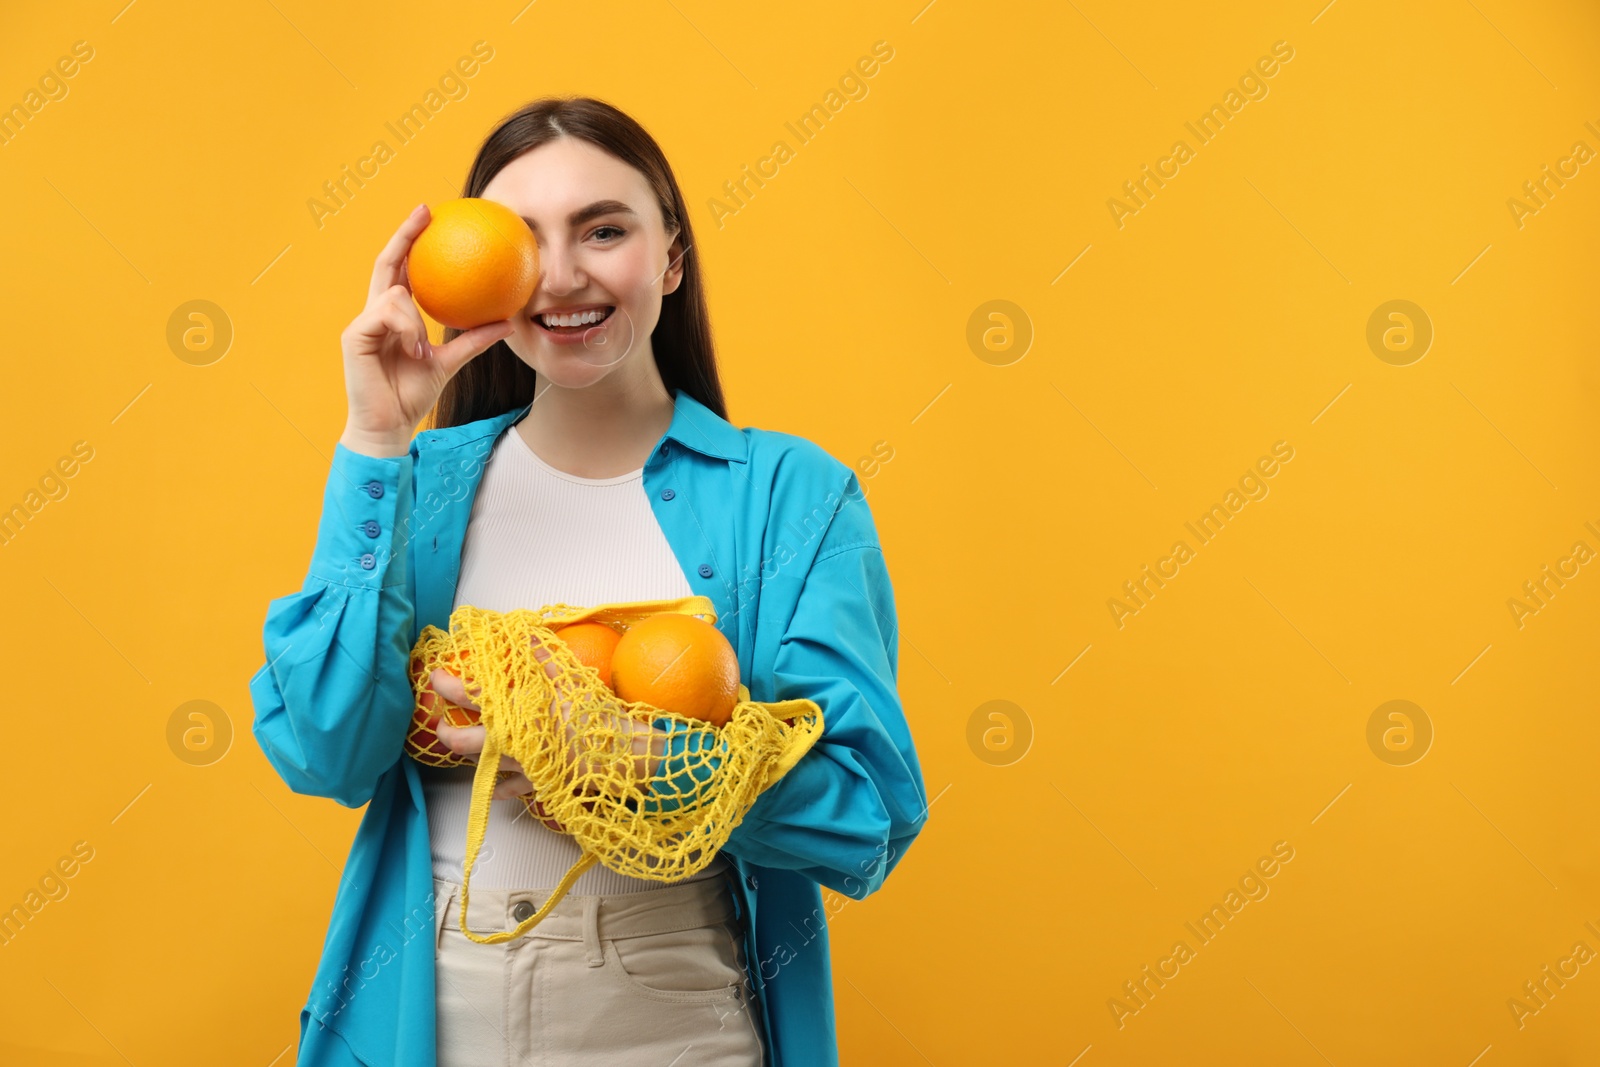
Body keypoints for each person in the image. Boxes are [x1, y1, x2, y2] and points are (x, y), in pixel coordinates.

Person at [249, 96, 929, 1067]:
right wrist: (374, 441)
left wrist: (627, 760)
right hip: (433, 999)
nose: (561, 275)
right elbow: (326, 750)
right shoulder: (419, 482)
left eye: (603, 229)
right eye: (521, 239)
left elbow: (866, 816)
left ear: (672, 255)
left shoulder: (791, 496)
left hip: (670, 1009)